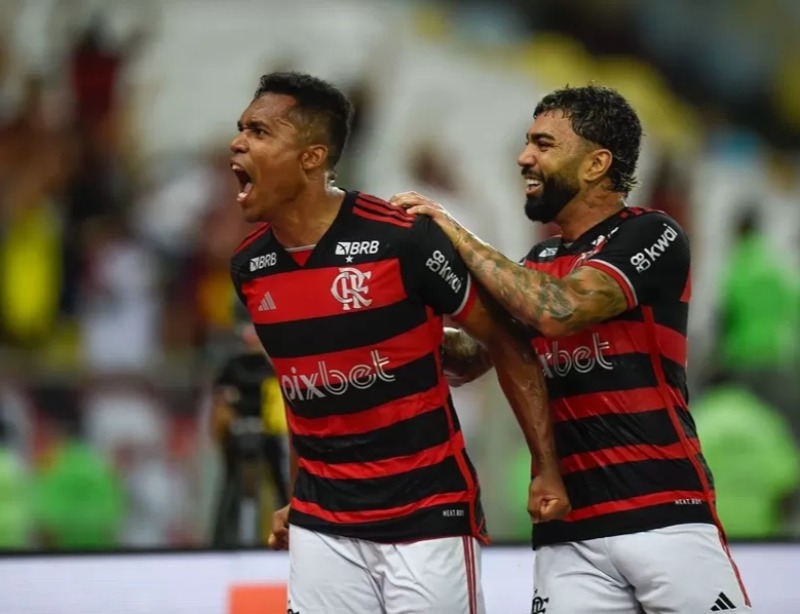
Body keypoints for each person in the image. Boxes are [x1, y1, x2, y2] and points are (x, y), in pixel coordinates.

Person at [391, 85, 752, 613]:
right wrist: (379, 329)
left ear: (595, 164)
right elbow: (471, 356)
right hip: (568, 529)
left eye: (543, 144)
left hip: (662, 513)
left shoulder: (652, 234)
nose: (524, 158)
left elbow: (560, 309)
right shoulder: (539, 261)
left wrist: (453, 233)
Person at [227, 71, 570, 614]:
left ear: (312, 157)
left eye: (259, 131)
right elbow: (303, 394)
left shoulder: (401, 240)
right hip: (323, 519)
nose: (238, 143)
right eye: (241, 129)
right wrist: (296, 497)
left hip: (426, 514)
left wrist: (544, 466)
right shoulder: (251, 267)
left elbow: (505, 341)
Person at [210, 303, 289, 547]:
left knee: (279, 480)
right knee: (230, 485)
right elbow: (220, 398)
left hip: (268, 430)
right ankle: (221, 540)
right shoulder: (233, 365)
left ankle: (289, 530)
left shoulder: (271, 364)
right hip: (239, 429)